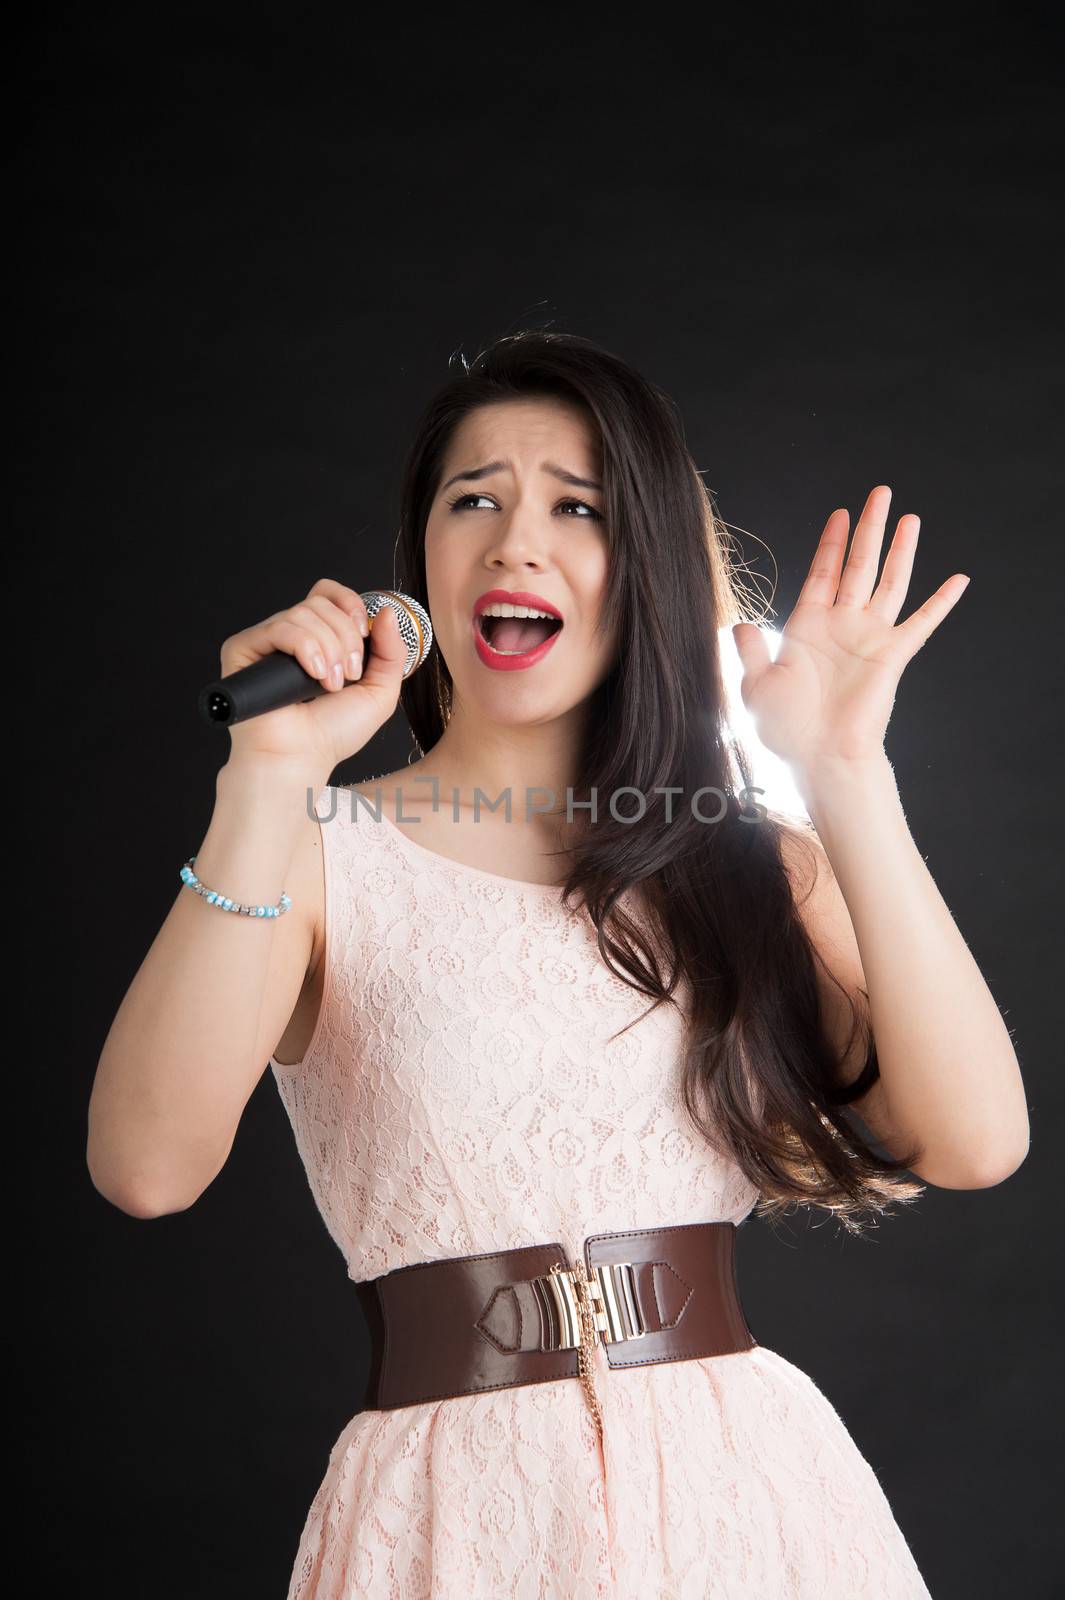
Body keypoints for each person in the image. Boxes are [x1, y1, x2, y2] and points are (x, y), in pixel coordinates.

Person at [87, 329, 1028, 1598]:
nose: (515, 540)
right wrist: (267, 776)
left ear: (643, 564)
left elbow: (974, 1141)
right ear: (420, 564)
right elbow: (144, 1166)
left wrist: (847, 770)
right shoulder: (314, 852)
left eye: (576, 507)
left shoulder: (751, 861)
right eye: (473, 498)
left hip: (745, 1502)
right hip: (450, 1519)